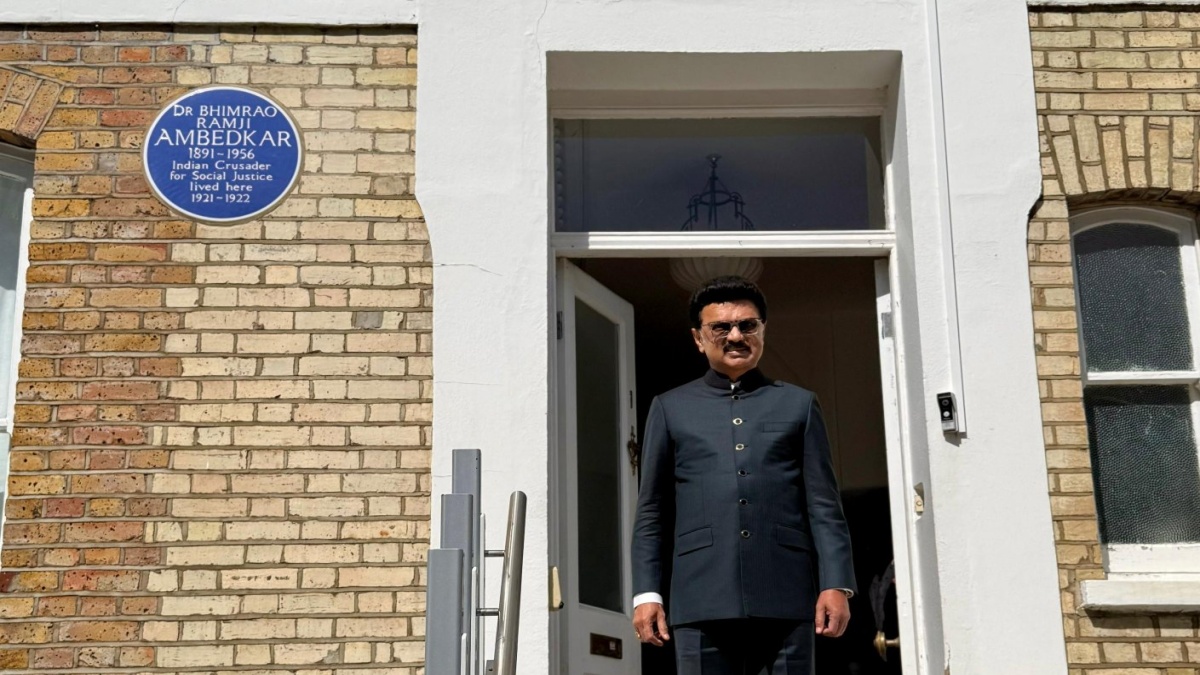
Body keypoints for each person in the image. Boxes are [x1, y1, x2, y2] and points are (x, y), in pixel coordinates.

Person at [631, 275, 856, 674]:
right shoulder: (671, 408)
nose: (736, 336)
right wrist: (647, 593)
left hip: (787, 594)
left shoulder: (798, 404)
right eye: (721, 327)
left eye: (747, 325)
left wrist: (836, 583)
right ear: (698, 338)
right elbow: (652, 510)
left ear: (762, 331)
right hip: (700, 596)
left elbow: (824, 504)